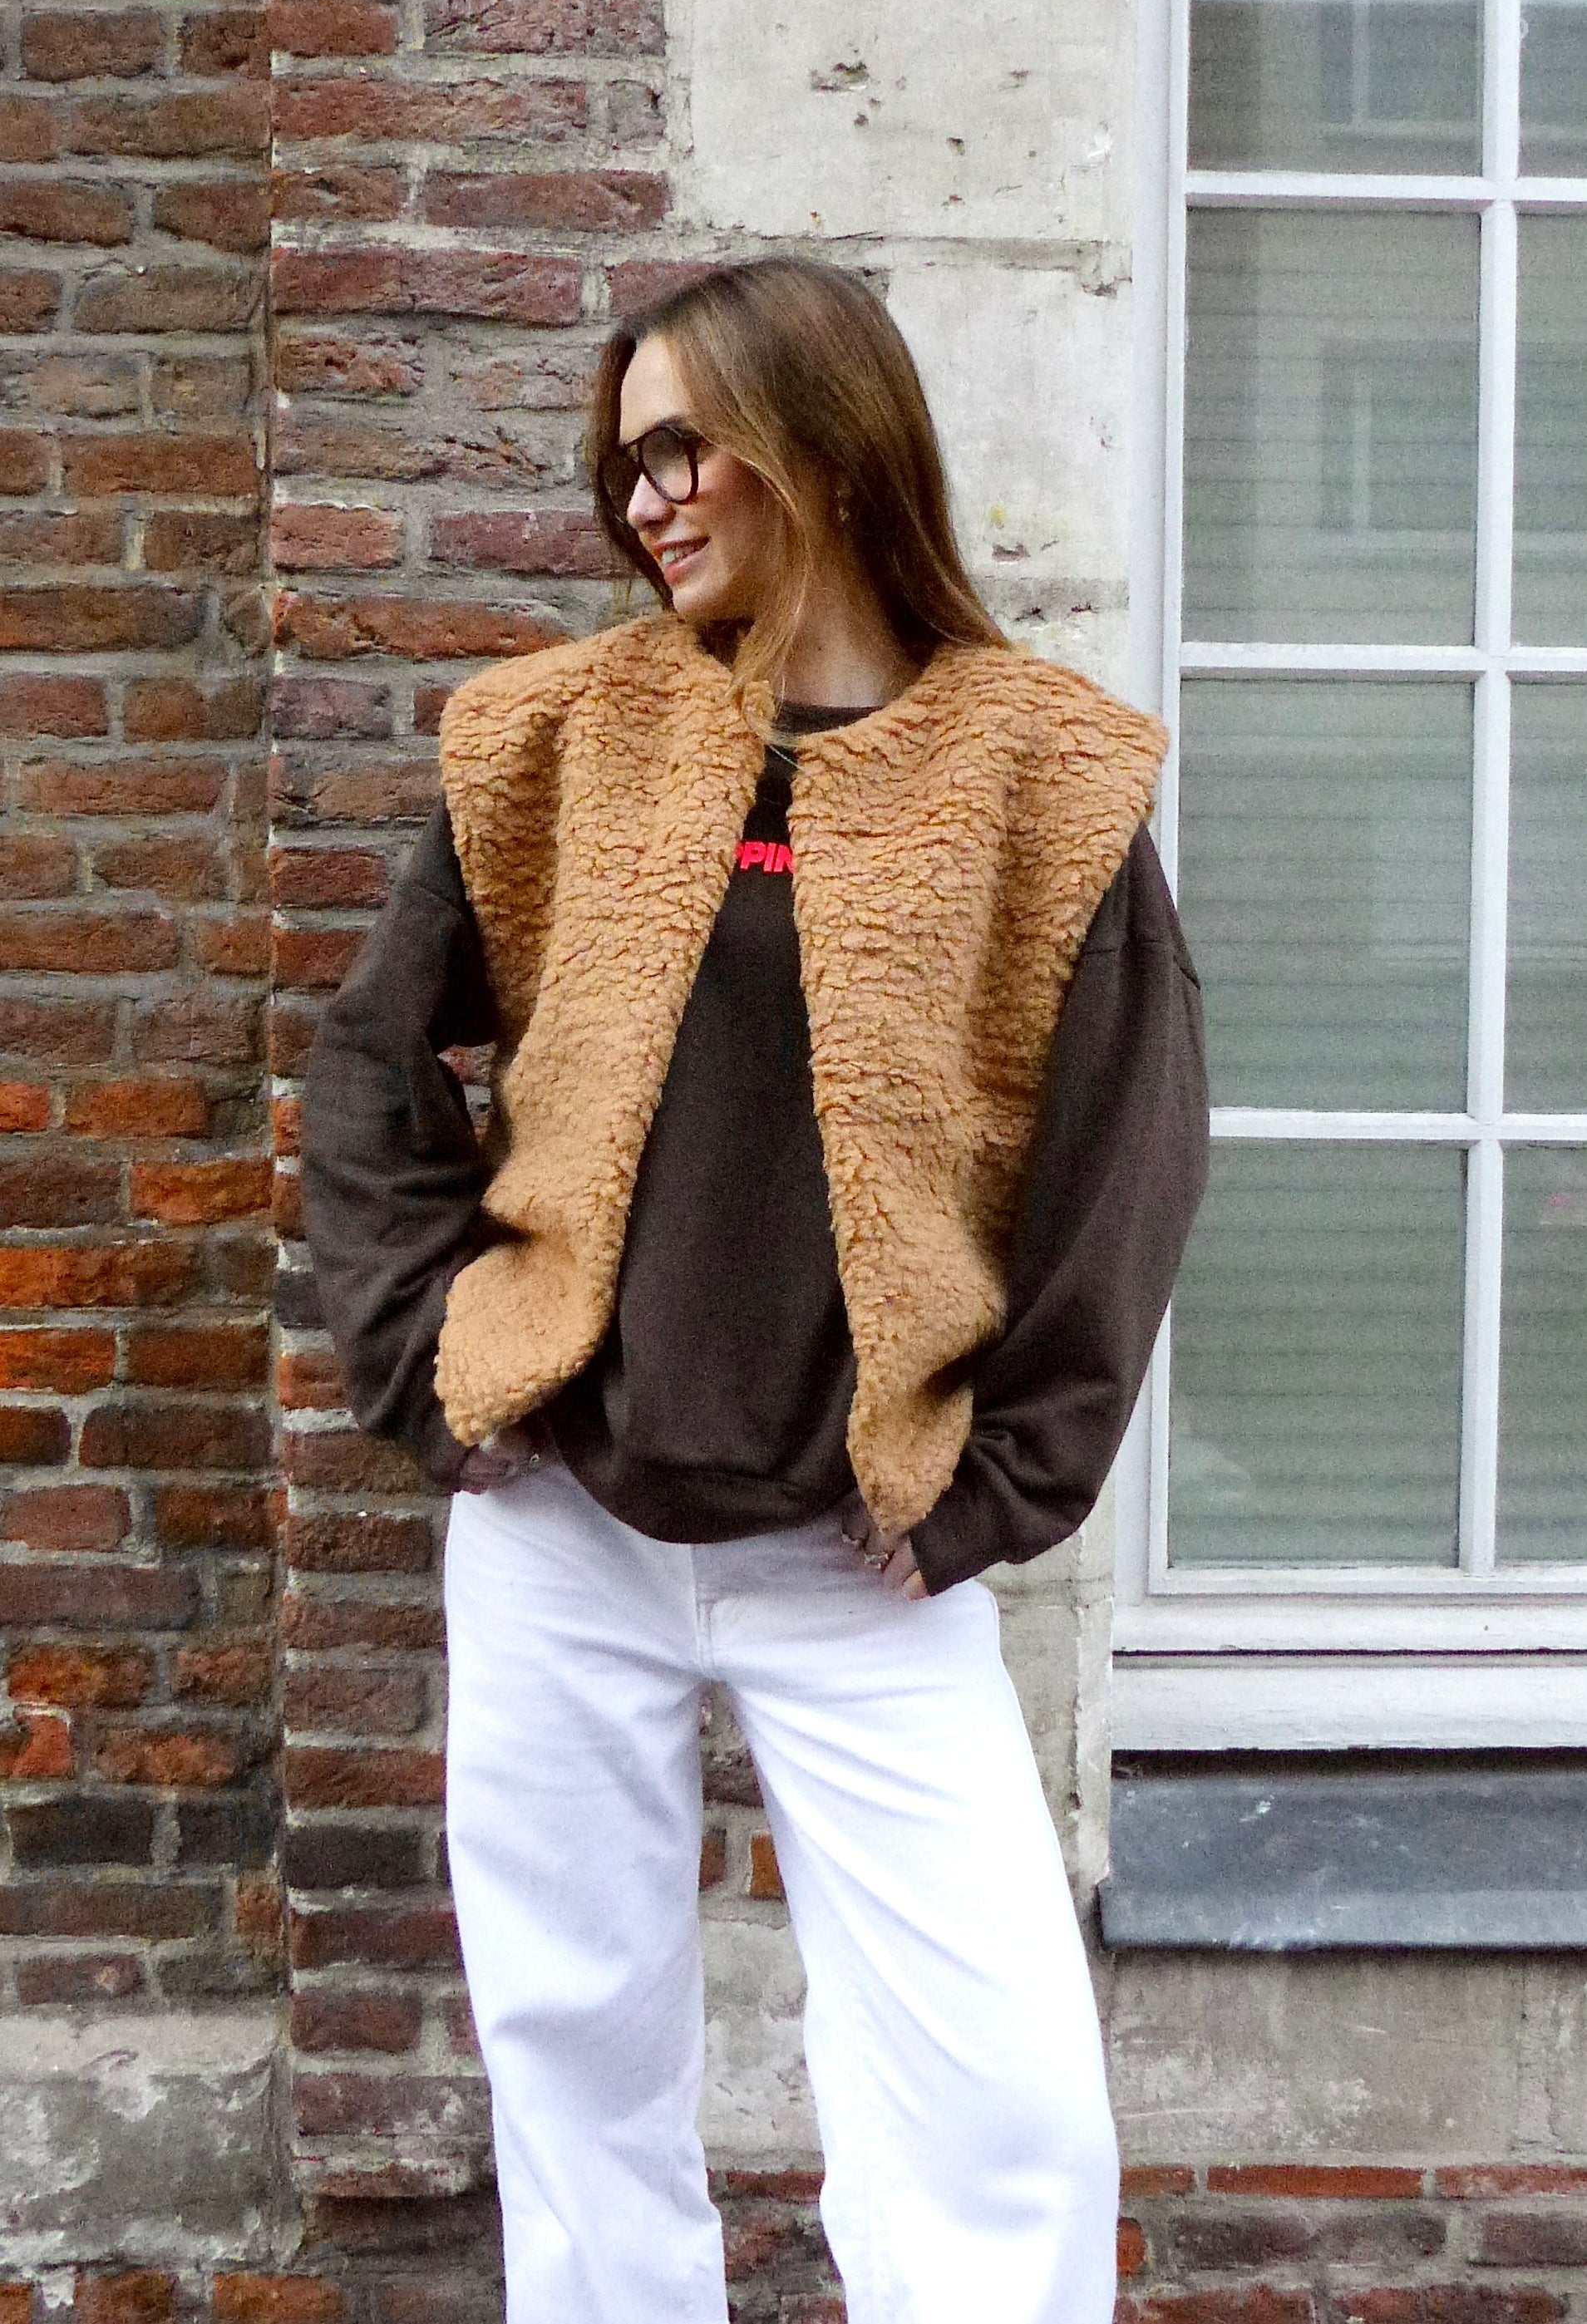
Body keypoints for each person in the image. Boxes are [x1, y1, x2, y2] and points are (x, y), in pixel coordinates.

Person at [301, 255, 1210, 2324]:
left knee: (1004, 2108)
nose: (645, 500)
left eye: (684, 448)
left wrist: (1000, 1482)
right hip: (563, 1524)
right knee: (573, 2056)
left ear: (828, 441)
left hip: (853, 1546)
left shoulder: (1042, 771)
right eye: (625, 462)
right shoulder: (560, 738)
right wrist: (433, 1358)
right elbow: (369, 1065)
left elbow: (1126, 1162)